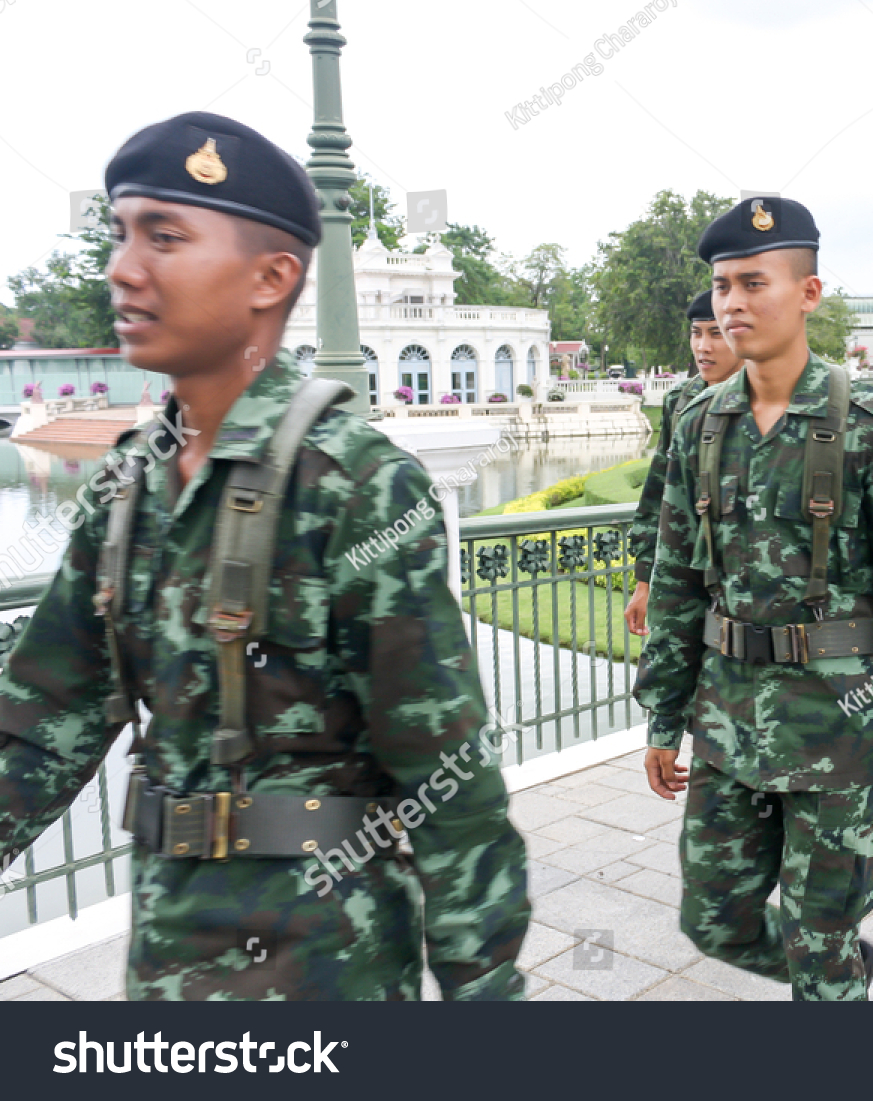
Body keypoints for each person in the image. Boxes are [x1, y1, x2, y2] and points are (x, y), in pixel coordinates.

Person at [0, 112, 530, 1000]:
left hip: (329, 959)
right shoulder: (125, 486)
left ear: (272, 276)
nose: (123, 268)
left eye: (165, 237)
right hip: (167, 953)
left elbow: (444, 773)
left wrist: (486, 992)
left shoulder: (355, 486)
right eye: (122, 234)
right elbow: (43, 718)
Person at [633, 197, 873, 1002]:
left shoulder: (867, 421)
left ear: (808, 293)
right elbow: (677, 579)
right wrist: (665, 717)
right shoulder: (699, 422)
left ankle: (831, 974)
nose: (732, 303)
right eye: (721, 287)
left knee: (820, 942)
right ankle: (841, 969)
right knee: (713, 920)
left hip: (837, 731)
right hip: (725, 726)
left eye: (753, 282)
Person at [625, 290, 743, 636]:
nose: (703, 347)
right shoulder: (681, 401)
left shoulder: (765, 399)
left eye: (715, 333)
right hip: (685, 572)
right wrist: (645, 581)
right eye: (696, 333)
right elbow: (657, 495)